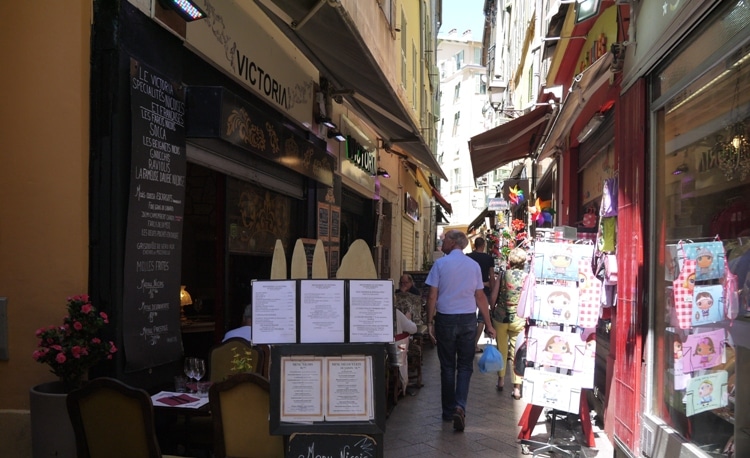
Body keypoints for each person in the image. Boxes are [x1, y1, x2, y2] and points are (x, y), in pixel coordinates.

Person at [425, 229, 496, 432]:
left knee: (447, 367)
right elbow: (480, 297)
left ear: (454, 242)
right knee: (465, 366)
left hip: (445, 319)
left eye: (444, 239)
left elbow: (432, 296)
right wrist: (489, 325)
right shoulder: (473, 266)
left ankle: (448, 411)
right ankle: (460, 406)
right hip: (467, 320)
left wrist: (429, 322)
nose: (442, 242)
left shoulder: (440, 264)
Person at [491, 247, 528, 399]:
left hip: (501, 317)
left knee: (501, 349)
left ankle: (500, 381)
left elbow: (494, 295)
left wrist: (491, 309)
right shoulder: (527, 277)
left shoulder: (503, 274)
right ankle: (517, 388)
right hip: (519, 319)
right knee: (516, 352)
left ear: (510, 261)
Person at [466, 237, 496, 353]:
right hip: (485, 290)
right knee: (482, 318)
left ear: (474, 245)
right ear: (483, 245)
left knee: (470, 315)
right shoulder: (489, 258)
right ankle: (474, 344)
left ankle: (468, 343)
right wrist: (493, 290)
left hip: (470, 290)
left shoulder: (468, 257)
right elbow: (492, 276)